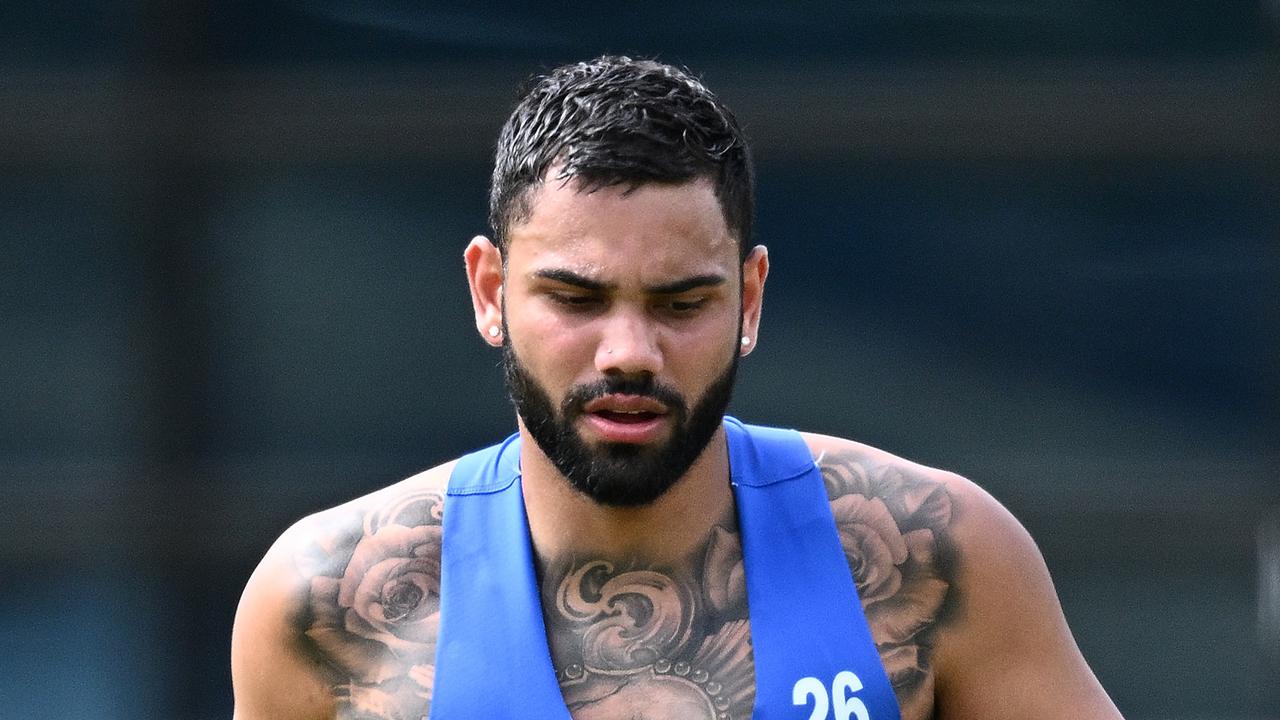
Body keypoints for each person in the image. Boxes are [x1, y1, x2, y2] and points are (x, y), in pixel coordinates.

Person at [231, 56, 1124, 720]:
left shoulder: (940, 558)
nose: (629, 352)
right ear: (491, 292)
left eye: (681, 301)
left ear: (750, 297)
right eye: (576, 298)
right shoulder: (325, 604)